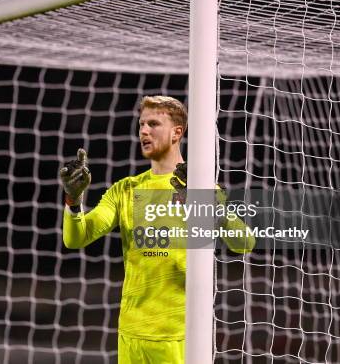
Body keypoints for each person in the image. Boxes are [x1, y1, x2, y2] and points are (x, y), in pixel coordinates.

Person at [59, 95, 255, 364]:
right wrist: (73, 199)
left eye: (153, 124)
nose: (144, 131)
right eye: (141, 124)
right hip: (131, 334)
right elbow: (76, 239)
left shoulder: (201, 188)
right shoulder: (125, 189)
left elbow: (244, 243)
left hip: (180, 337)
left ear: (177, 133)